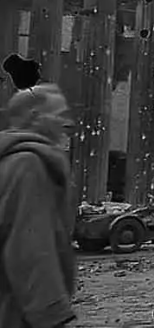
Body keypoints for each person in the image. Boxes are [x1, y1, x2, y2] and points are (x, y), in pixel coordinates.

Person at [0, 83, 77, 328]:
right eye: (59, 115)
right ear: (36, 117)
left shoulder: (10, 160)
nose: (67, 122)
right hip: (16, 312)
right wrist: (51, 315)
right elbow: (30, 247)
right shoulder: (27, 165)